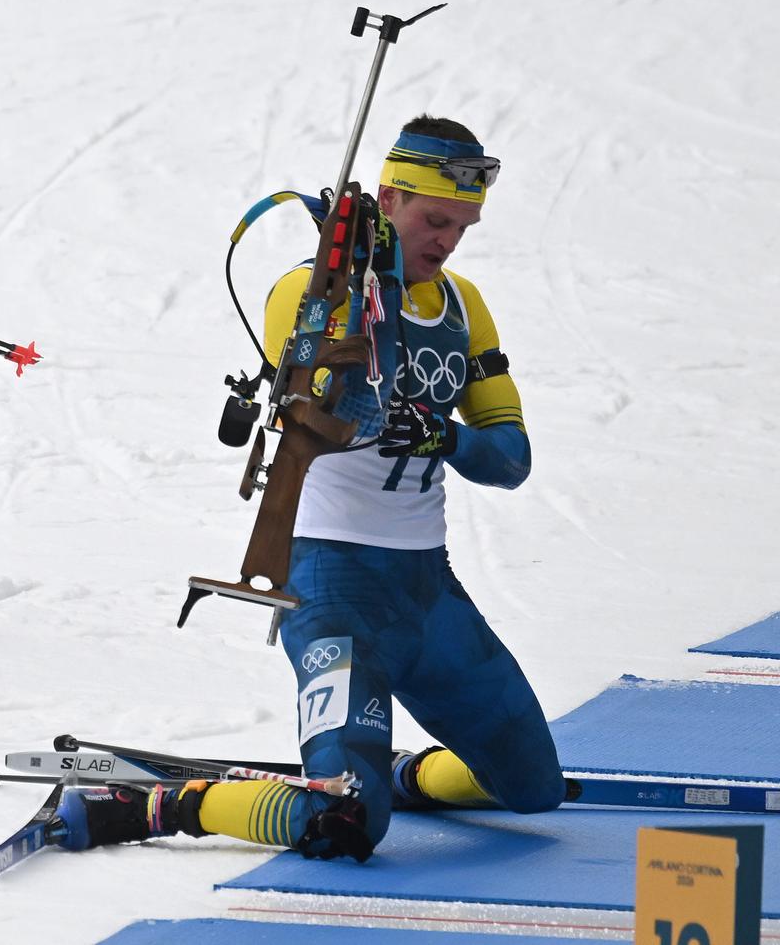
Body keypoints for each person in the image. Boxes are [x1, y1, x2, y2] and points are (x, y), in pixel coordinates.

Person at [54, 116, 560, 860]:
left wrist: (445, 435)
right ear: (388, 200)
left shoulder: (461, 305)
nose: (448, 241)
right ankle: (154, 808)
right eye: (434, 220)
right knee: (346, 826)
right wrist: (356, 308)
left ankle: (397, 776)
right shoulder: (309, 288)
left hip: (427, 590)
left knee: (534, 787)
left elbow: (510, 460)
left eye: (463, 226)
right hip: (332, 587)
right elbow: (325, 418)